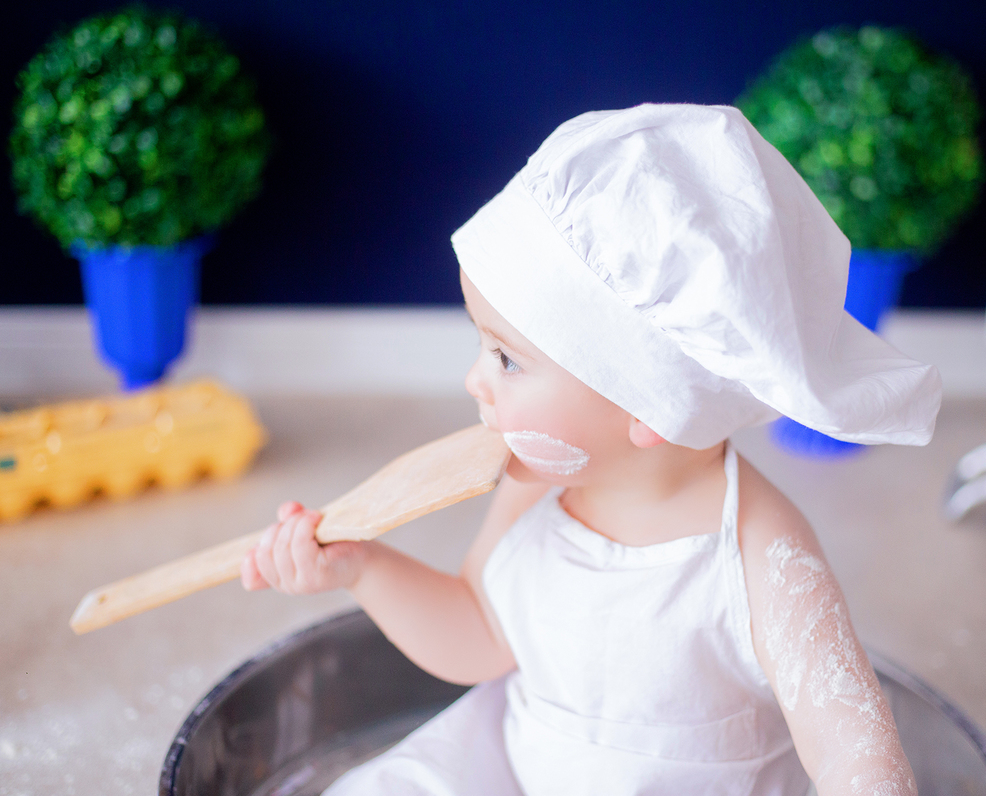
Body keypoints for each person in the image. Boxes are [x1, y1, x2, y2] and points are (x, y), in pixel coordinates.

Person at [241, 103, 941, 796]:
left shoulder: (761, 551)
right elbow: (483, 635)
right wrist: (363, 570)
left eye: (506, 360)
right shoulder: (532, 485)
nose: (473, 380)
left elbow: (856, 754)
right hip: (520, 770)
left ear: (650, 404)